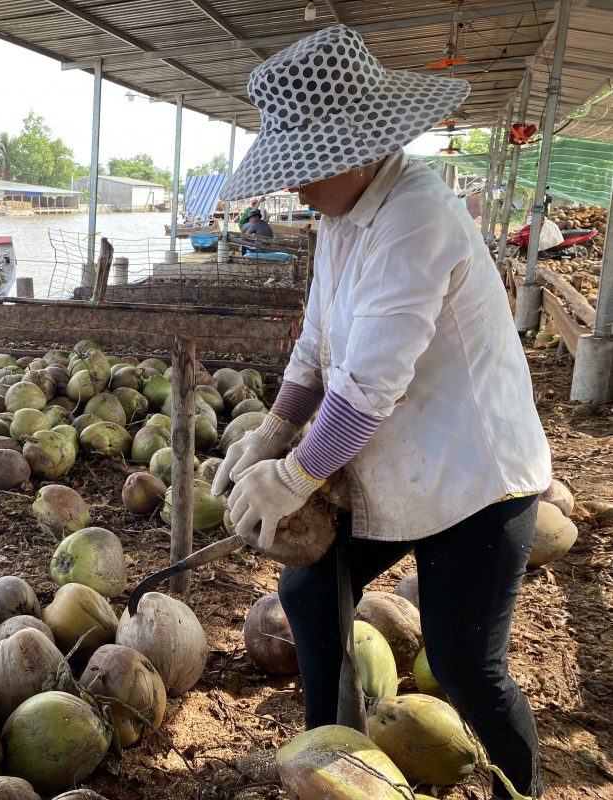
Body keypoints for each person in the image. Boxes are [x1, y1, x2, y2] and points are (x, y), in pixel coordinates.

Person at [213, 24, 549, 799]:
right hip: (394, 460)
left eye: (303, 170)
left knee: (467, 665)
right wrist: (271, 429)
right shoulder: (341, 221)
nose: (293, 189)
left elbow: (366, 389)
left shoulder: (415, 219)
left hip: (473, 477)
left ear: (353, 150)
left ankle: (517, 791)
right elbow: (316, 348)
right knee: (306, 590)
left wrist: (294, 472)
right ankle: (333, 754)